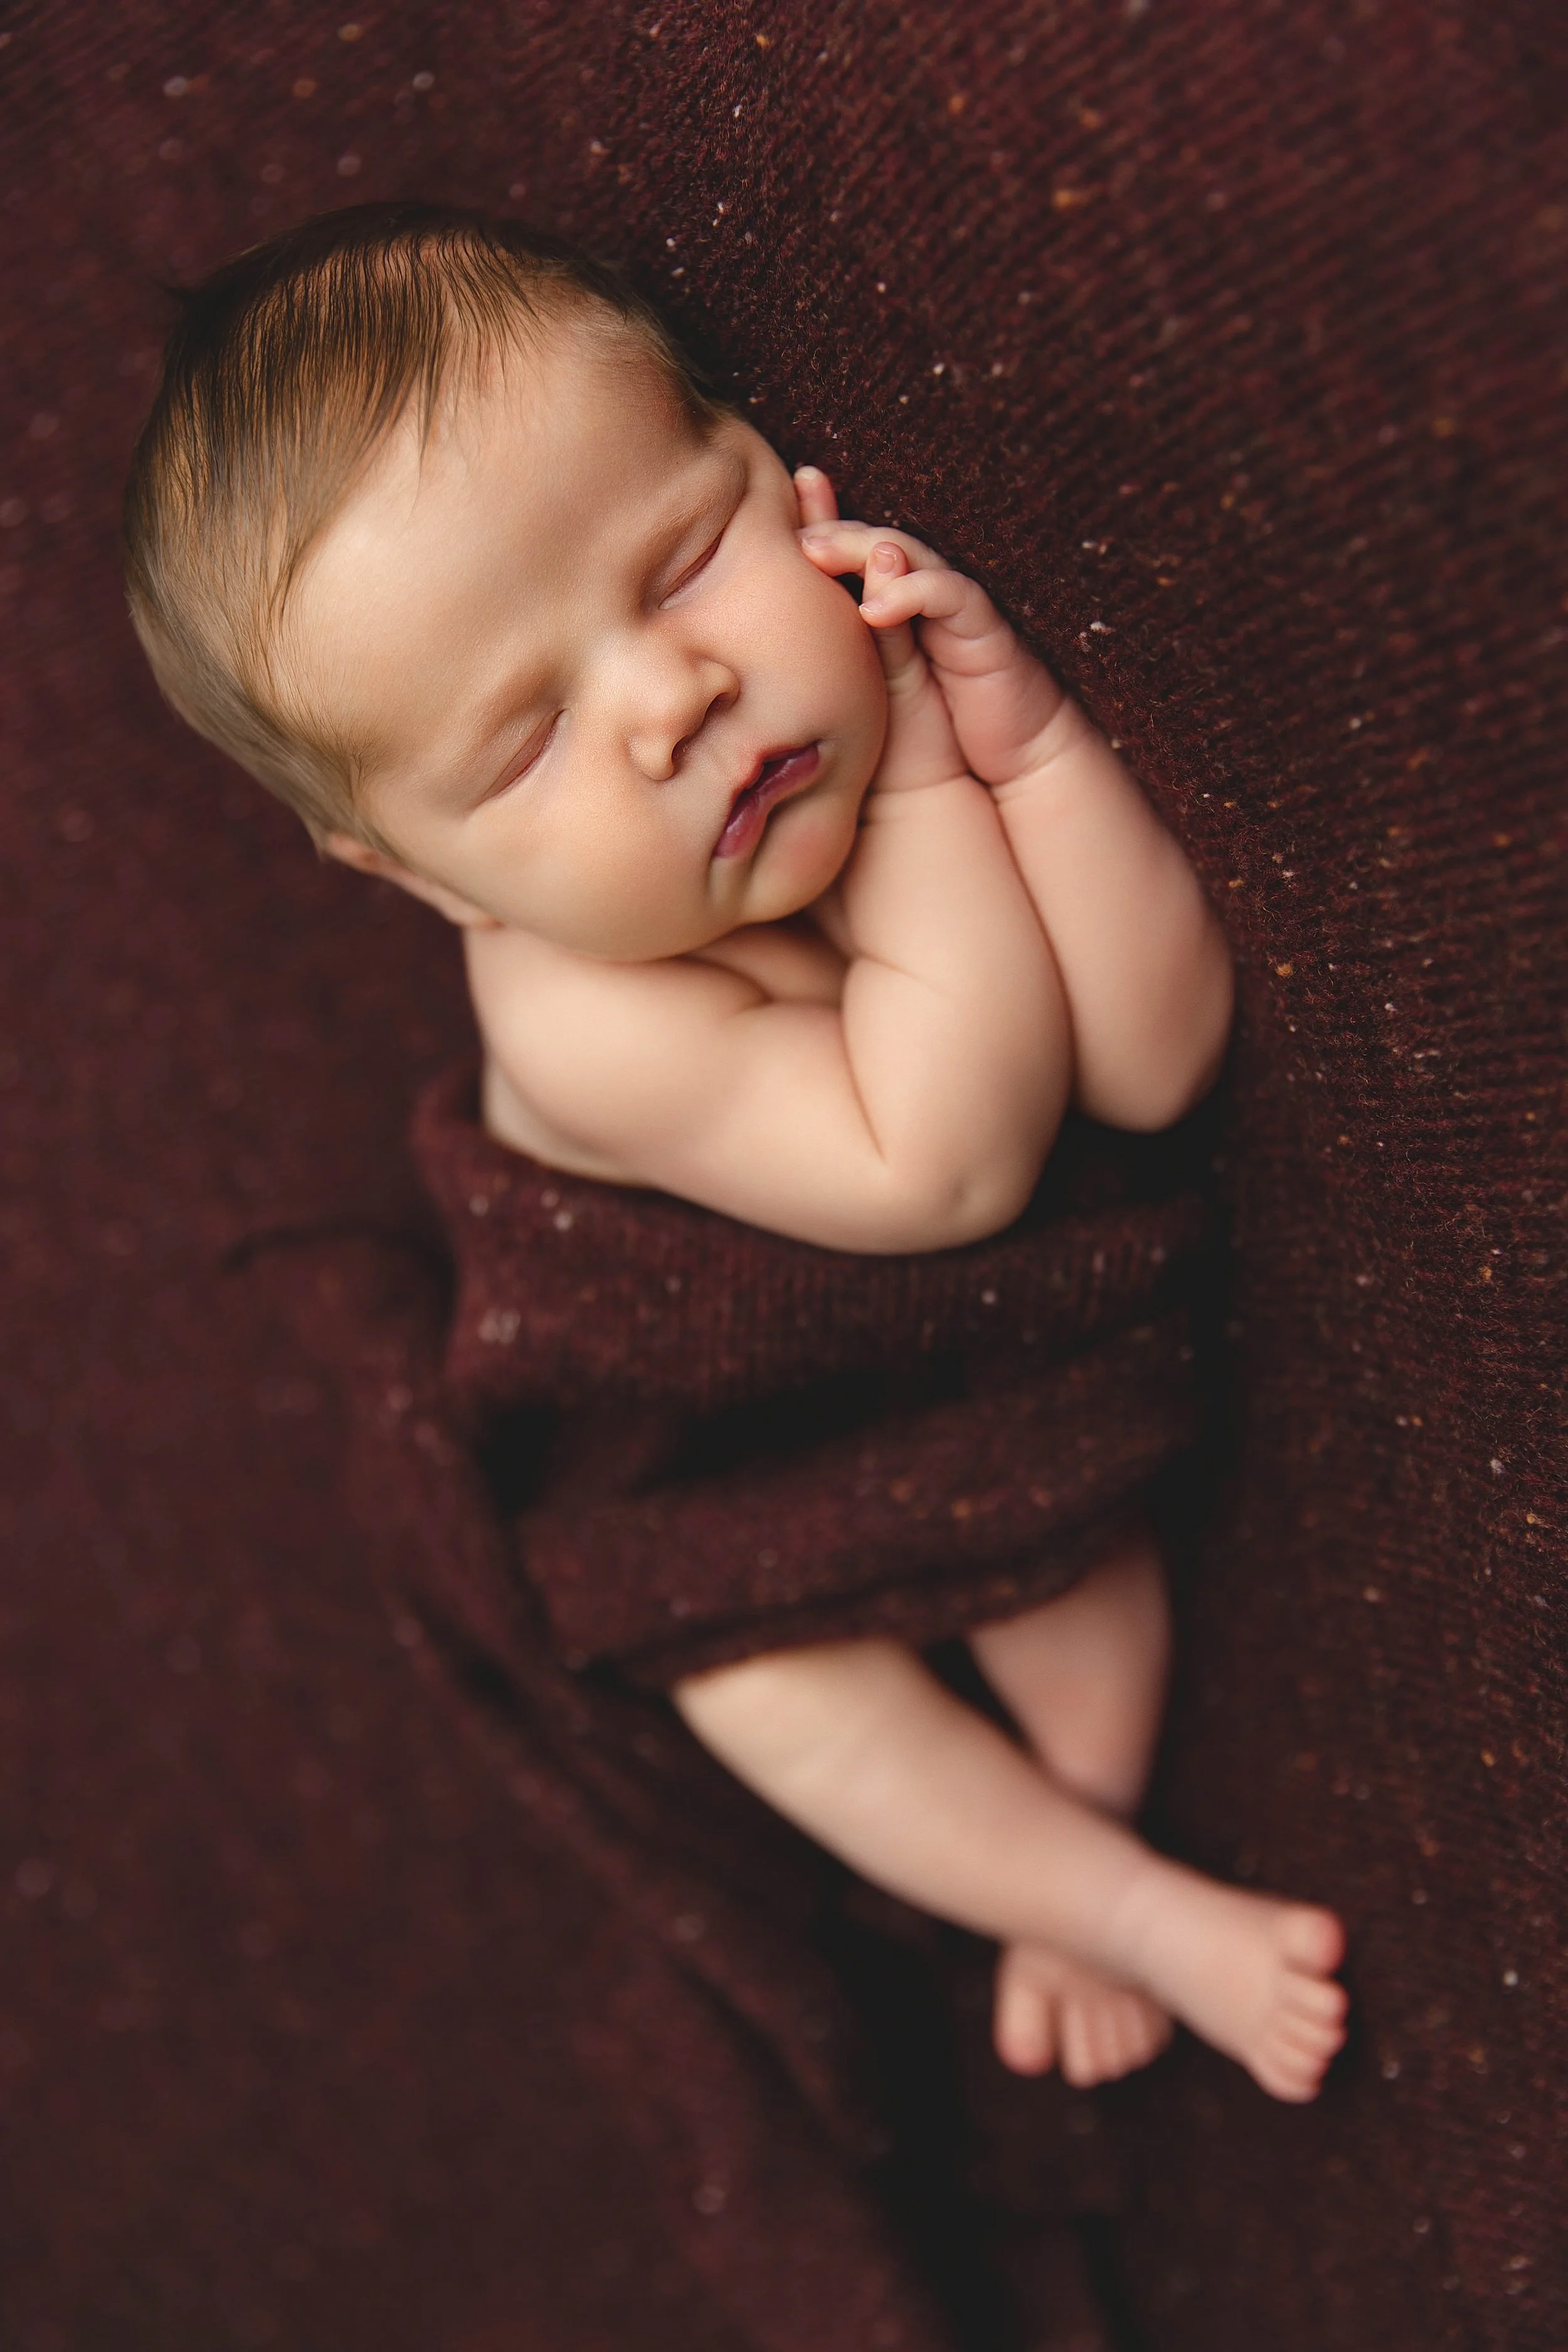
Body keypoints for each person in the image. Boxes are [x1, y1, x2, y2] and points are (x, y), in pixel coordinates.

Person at [124, 203, 1347, 2102]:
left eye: (685, 558)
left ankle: (1079, 1809)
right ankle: (1111, 1900)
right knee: (775, 1694)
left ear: (773, 466)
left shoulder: (849, 748)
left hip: (973, 1381)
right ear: (407, 868)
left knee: (1079, 1567)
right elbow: (938, 1162)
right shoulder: (575, 1007)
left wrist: (1027, 748)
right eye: (521, 747)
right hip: (722, 1441)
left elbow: (1155, 1051)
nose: (666, 700)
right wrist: (945, 788)